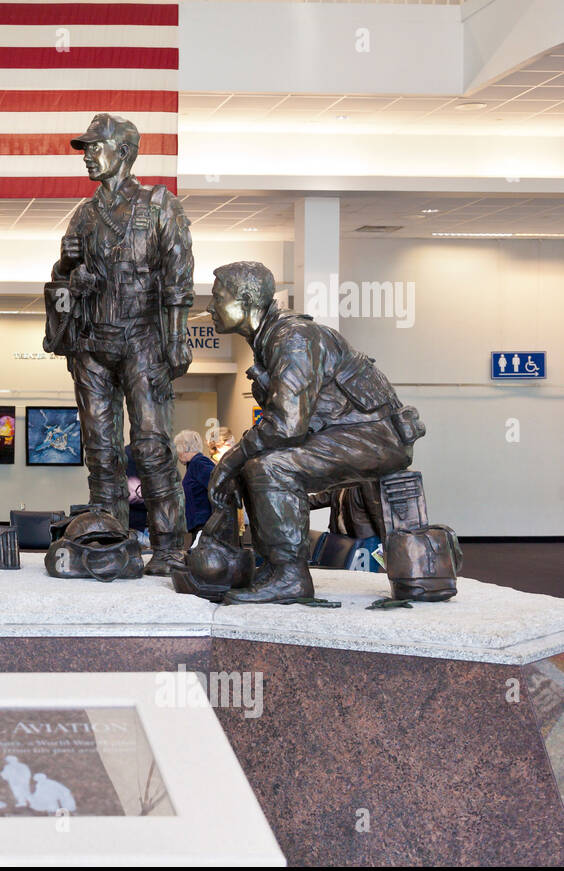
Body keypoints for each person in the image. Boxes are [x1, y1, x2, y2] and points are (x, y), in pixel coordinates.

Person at [206, 261, 420, 603]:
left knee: (270, 467)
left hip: (374, 436)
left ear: (245, 301)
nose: (209, 306)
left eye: (218, 297)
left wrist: (229, 460)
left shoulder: (292, 338)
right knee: (257, 462)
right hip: (350, 432)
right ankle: (276, 568)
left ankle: (290, 576)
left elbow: (288, 425)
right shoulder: (271, 339)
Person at [47, 113, 195, 574]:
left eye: (96, 146)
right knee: (100, 449)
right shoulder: (85, 215)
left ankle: (171, 543)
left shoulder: (158, 205)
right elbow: (59, 282)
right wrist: (69, 270)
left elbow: (178, 276)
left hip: (142, 339)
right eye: (85, 148)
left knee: (151, 446)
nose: (88, 155)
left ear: (124, 152)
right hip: (92, 343)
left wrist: (175, 336)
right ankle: (111, 537)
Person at [174, 429, 215, 534]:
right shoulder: (194, 465)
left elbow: (217, 486)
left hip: (203, 524)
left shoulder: (199, 463)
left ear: (184, 448)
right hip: (199, 524)